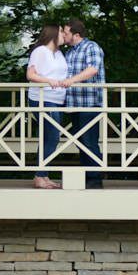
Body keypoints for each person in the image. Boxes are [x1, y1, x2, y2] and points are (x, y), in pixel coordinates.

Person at [61, 18, 106, 189]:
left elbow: (92, 69)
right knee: (80, 141)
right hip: (74, 104)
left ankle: (95, 178)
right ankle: (87, 175)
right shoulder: (70, 52)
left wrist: (71, 80)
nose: (64, 36)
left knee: (89, 141)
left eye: (66, 33)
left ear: (76, 34)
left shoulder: (91, 47)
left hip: (90, 102)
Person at [25, 24, 69, 189]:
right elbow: (30, 75)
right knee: (53, 136)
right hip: (43, 98)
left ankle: (43, 175)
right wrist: (48, 81)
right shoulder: (40, 51)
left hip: (57, 100)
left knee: (48, 138)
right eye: (61, 32)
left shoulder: (58, 53)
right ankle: (40, 176)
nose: (64, 35)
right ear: (53, 34)